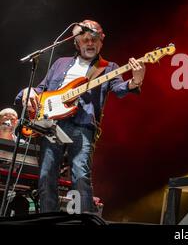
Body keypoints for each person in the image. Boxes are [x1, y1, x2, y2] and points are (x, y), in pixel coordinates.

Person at [15, 20, 146, 213]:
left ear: (101, 42)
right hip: (51, 124)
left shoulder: (108, 67)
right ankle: (47, 218)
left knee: (80, 175)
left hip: (82, 126)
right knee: (46, 175)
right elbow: (42, 89)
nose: (90, 43)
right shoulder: (60, 63)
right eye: (85, 39)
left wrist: (136, 79)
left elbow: (119, 89)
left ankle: (84, 220)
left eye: (94, 39)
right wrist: (27, 92)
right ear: (77, 42)